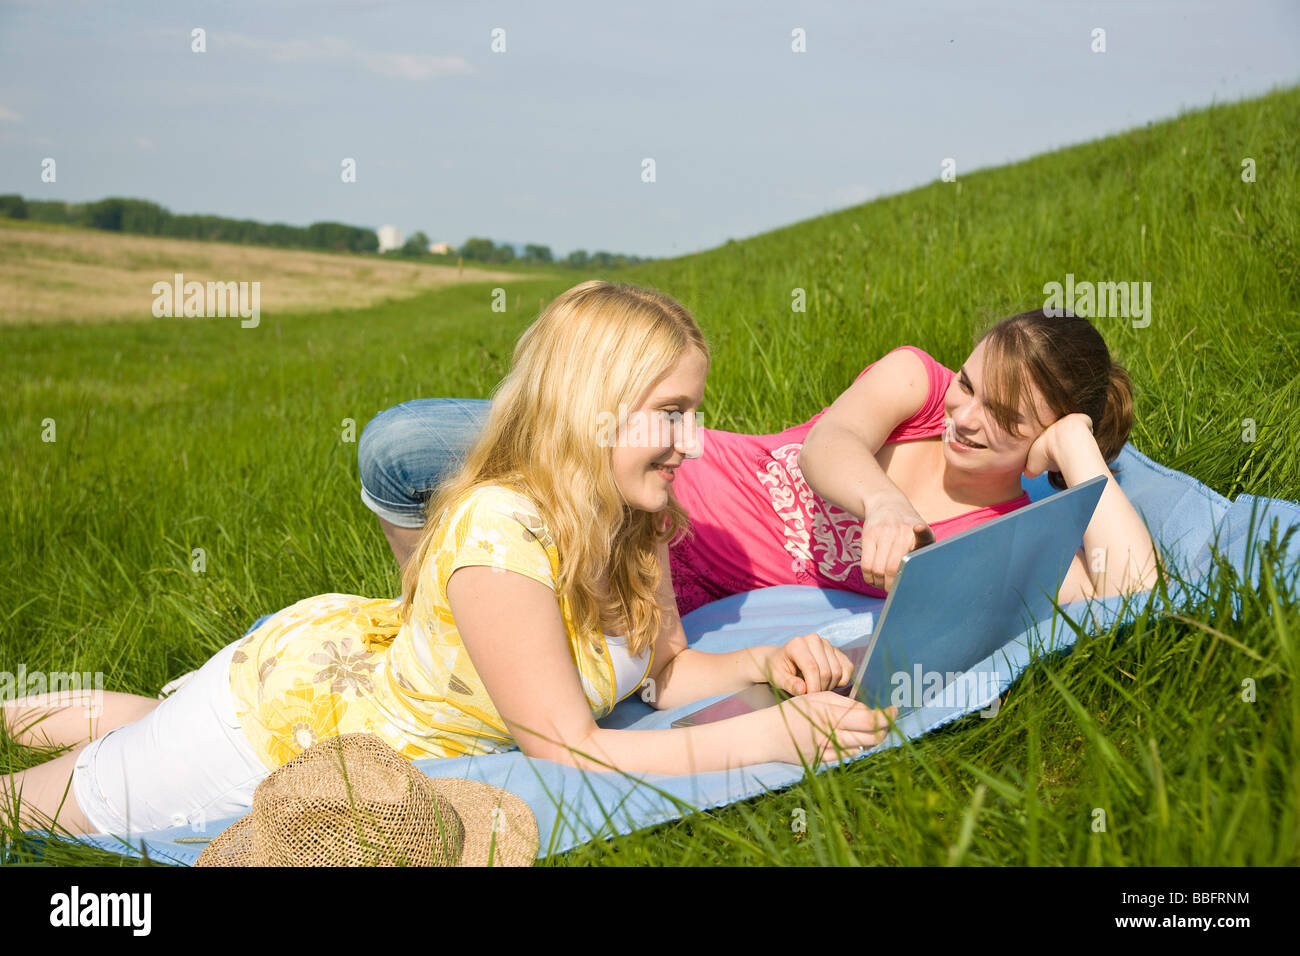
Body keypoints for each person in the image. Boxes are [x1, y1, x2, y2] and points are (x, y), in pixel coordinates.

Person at [1, 280, 895, 838]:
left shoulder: (639, 517)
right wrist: (770, 738)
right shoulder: (499, 531)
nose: (694, 443)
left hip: (348, 663)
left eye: (695, 411)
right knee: (32, 812)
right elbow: (569, 750)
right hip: (269, 729)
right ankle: (110, 725)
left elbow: (663, 673)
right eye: (671, 413)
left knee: (131, 720)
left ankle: (95, 708)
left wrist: (762, 663)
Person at [359, 308, 1159, 614]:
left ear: (1049, 436)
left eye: (1005, 417)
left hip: (657, 570)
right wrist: (883, 505)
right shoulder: (917, 381)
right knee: (397, 450)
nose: (966, 415)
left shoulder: (1008, 530)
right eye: (971, 384)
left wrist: (1080, 449)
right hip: (658, 462)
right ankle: (420, 601)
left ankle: (436, 622)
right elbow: (827, 446)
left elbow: (1128, 591)